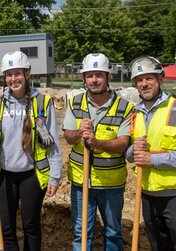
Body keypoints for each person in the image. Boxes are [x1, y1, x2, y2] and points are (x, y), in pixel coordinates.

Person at [0, 51, 63, 251]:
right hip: (4, 176)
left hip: (31, 175)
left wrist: (55, 177)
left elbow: (53, 143)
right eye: (9, 74)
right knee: (6, 229)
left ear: (27, 74)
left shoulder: (42, 103)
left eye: (17, 73)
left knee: (31, 226)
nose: (13, 78)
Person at [125, 56, 176, 251]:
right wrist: (134, 150)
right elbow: (129, 153)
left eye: (149, 78)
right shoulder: (135, 113)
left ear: (161, 79)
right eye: (139, 80)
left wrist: (153, 159)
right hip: (149, 195)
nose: (144, 84)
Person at [63, 53, 134, 251]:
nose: (94, 80)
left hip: (111, 184)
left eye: (99, 75)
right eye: (90, 75)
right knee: (81, 233)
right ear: (84, 79)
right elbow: (68, 137)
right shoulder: (75, 103)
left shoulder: (124, 108)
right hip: (81, 181)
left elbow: (122, 143)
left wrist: (96, 142)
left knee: (113, 232)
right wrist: (79, 132)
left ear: (108, 77)